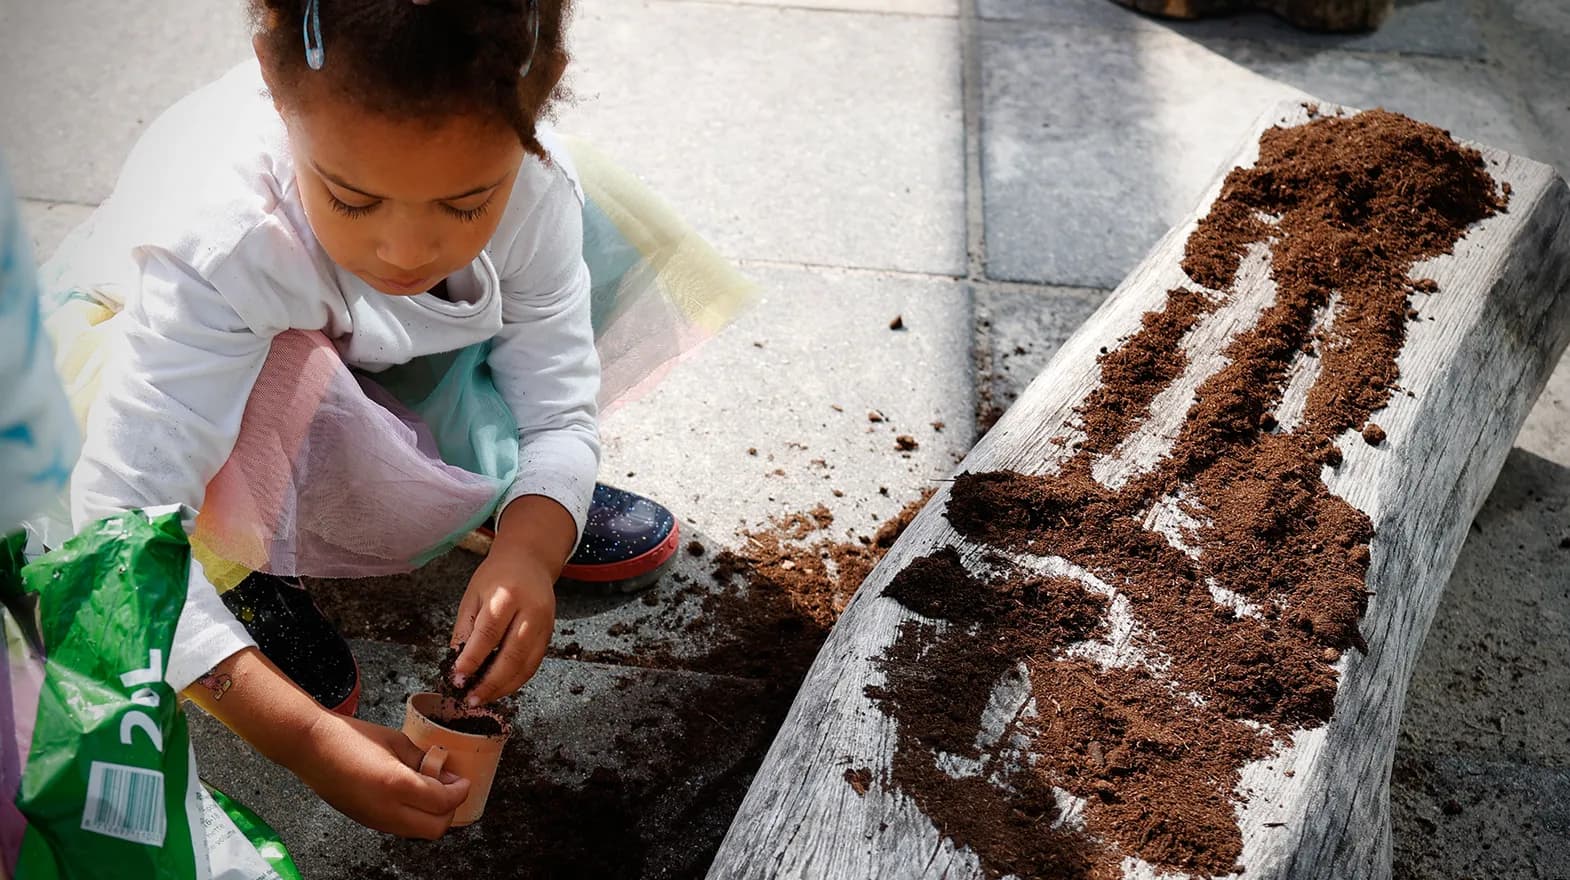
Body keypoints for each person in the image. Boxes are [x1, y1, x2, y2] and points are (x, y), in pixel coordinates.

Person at [36, 0, 749, 839]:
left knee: (576, 231)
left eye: (465, 203)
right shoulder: (225, 242)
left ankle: (493, 498)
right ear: (273, 84)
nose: (407, 251)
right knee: (276, 385)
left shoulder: (532, 185)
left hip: (369, 342)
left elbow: (557, 401)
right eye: (352, 198)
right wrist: (304, 740)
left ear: (544, 84)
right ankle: (243, 568)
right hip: (194, 367)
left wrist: (532, 545)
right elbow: (120, 528)